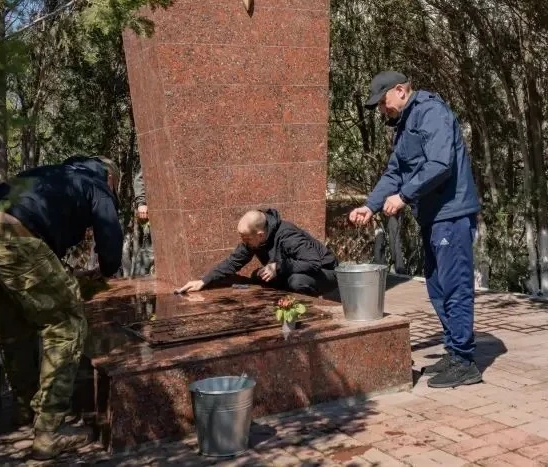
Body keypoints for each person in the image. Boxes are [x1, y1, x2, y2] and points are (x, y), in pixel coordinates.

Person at [0, 156, 123, 460]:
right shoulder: (97, 184)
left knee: (16, 326)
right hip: (15, 239)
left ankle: (25, 407)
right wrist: (106, 270)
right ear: (110, 177)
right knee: (66, 326)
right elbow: (110, 242)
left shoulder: (57, 174)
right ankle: (49, 432)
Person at [349, 71, 482, 388]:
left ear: (400, 91)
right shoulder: (406, 124)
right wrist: (370, 205)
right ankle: (453, 351)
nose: (383, 110)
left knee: (455, 286)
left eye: (383, 103)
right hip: (432, 217)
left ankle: (464, 361)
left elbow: (440, 164)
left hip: (451, 213)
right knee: (437, 287)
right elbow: (395, 172)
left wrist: (405, 196)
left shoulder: (430, 111)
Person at [177, 208, 338, 296]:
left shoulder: (288, 236)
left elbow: (313, 262)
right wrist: (204, 281)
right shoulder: (255, 238)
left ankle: (305, 312)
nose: (244, 242)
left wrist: (278, 267)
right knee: (257, 276)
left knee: (297, 281)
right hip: (293, 269)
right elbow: (233, 261)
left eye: (246, 238)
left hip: (326, 272)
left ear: (260, 234)